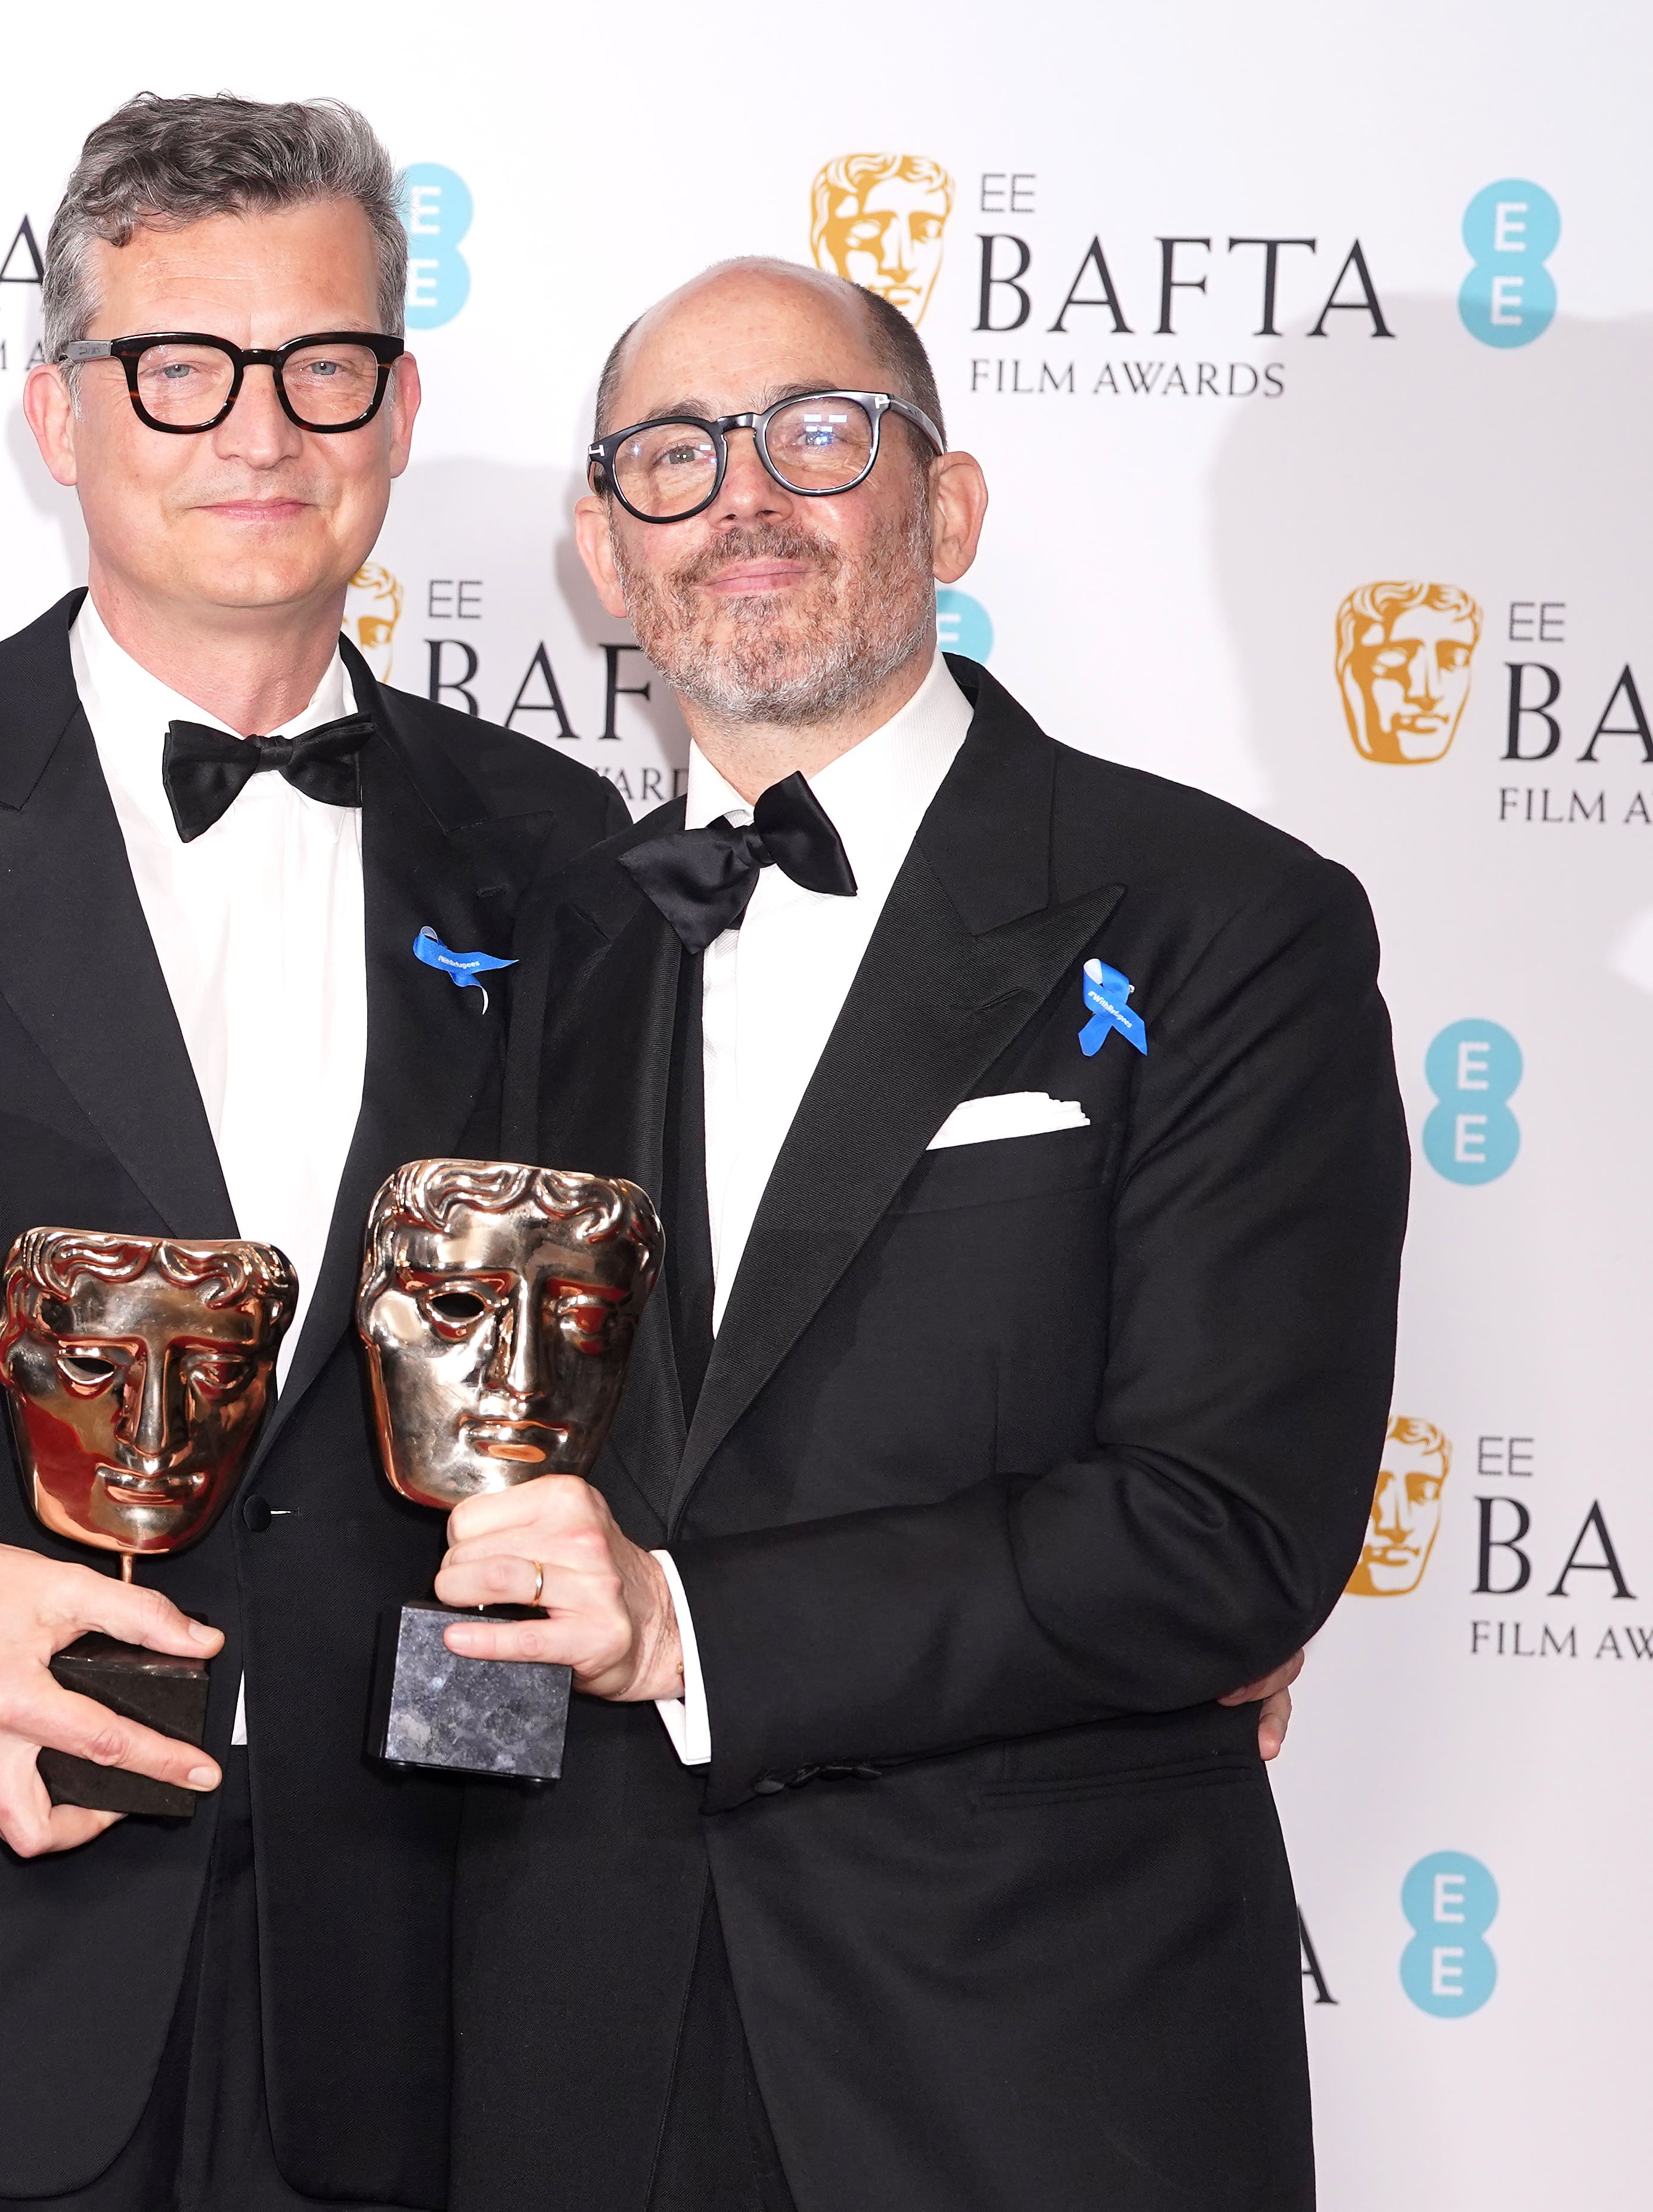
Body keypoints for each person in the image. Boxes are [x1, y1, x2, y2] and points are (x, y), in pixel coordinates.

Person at [0, 94, 628, 2211]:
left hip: (430, 2002)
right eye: (178, 368)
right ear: (56, 415)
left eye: (321, 365)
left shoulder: (567, 854)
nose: (256, 432)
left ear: (398, 404)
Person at [442, 256, 1404, 2210]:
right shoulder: (535, 955)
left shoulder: (1226, 926)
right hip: (571, 2053)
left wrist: (691, 1626)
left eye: (817, 433)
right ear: (608, 556)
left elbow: (1227, 1526)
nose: (745, 498)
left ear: (946, 510)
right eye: (674, 457)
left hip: (1036, 2073)